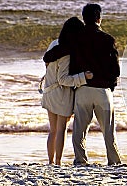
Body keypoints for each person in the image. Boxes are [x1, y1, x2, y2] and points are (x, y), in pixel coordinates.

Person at [43, 4, 121, 165]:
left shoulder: (76, 39)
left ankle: (80, 160)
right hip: (102, 91)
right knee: (108, 131)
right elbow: (116, 70)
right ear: (99, 18)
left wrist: (46, 57)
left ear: (84, 18)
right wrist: (110, 85)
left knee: (79, 132)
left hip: (82, 90)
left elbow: (57, 52)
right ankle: (113, 161)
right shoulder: (108, 39)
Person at [41, 17, 94, 165]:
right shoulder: (67, 52)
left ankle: (51, 162)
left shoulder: (54, 44)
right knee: (61, 130)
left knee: (53, 130)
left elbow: (47, 65)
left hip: (49, 92)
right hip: (61, 94)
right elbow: (63, 79)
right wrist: (84, 77)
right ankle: (58, 162)